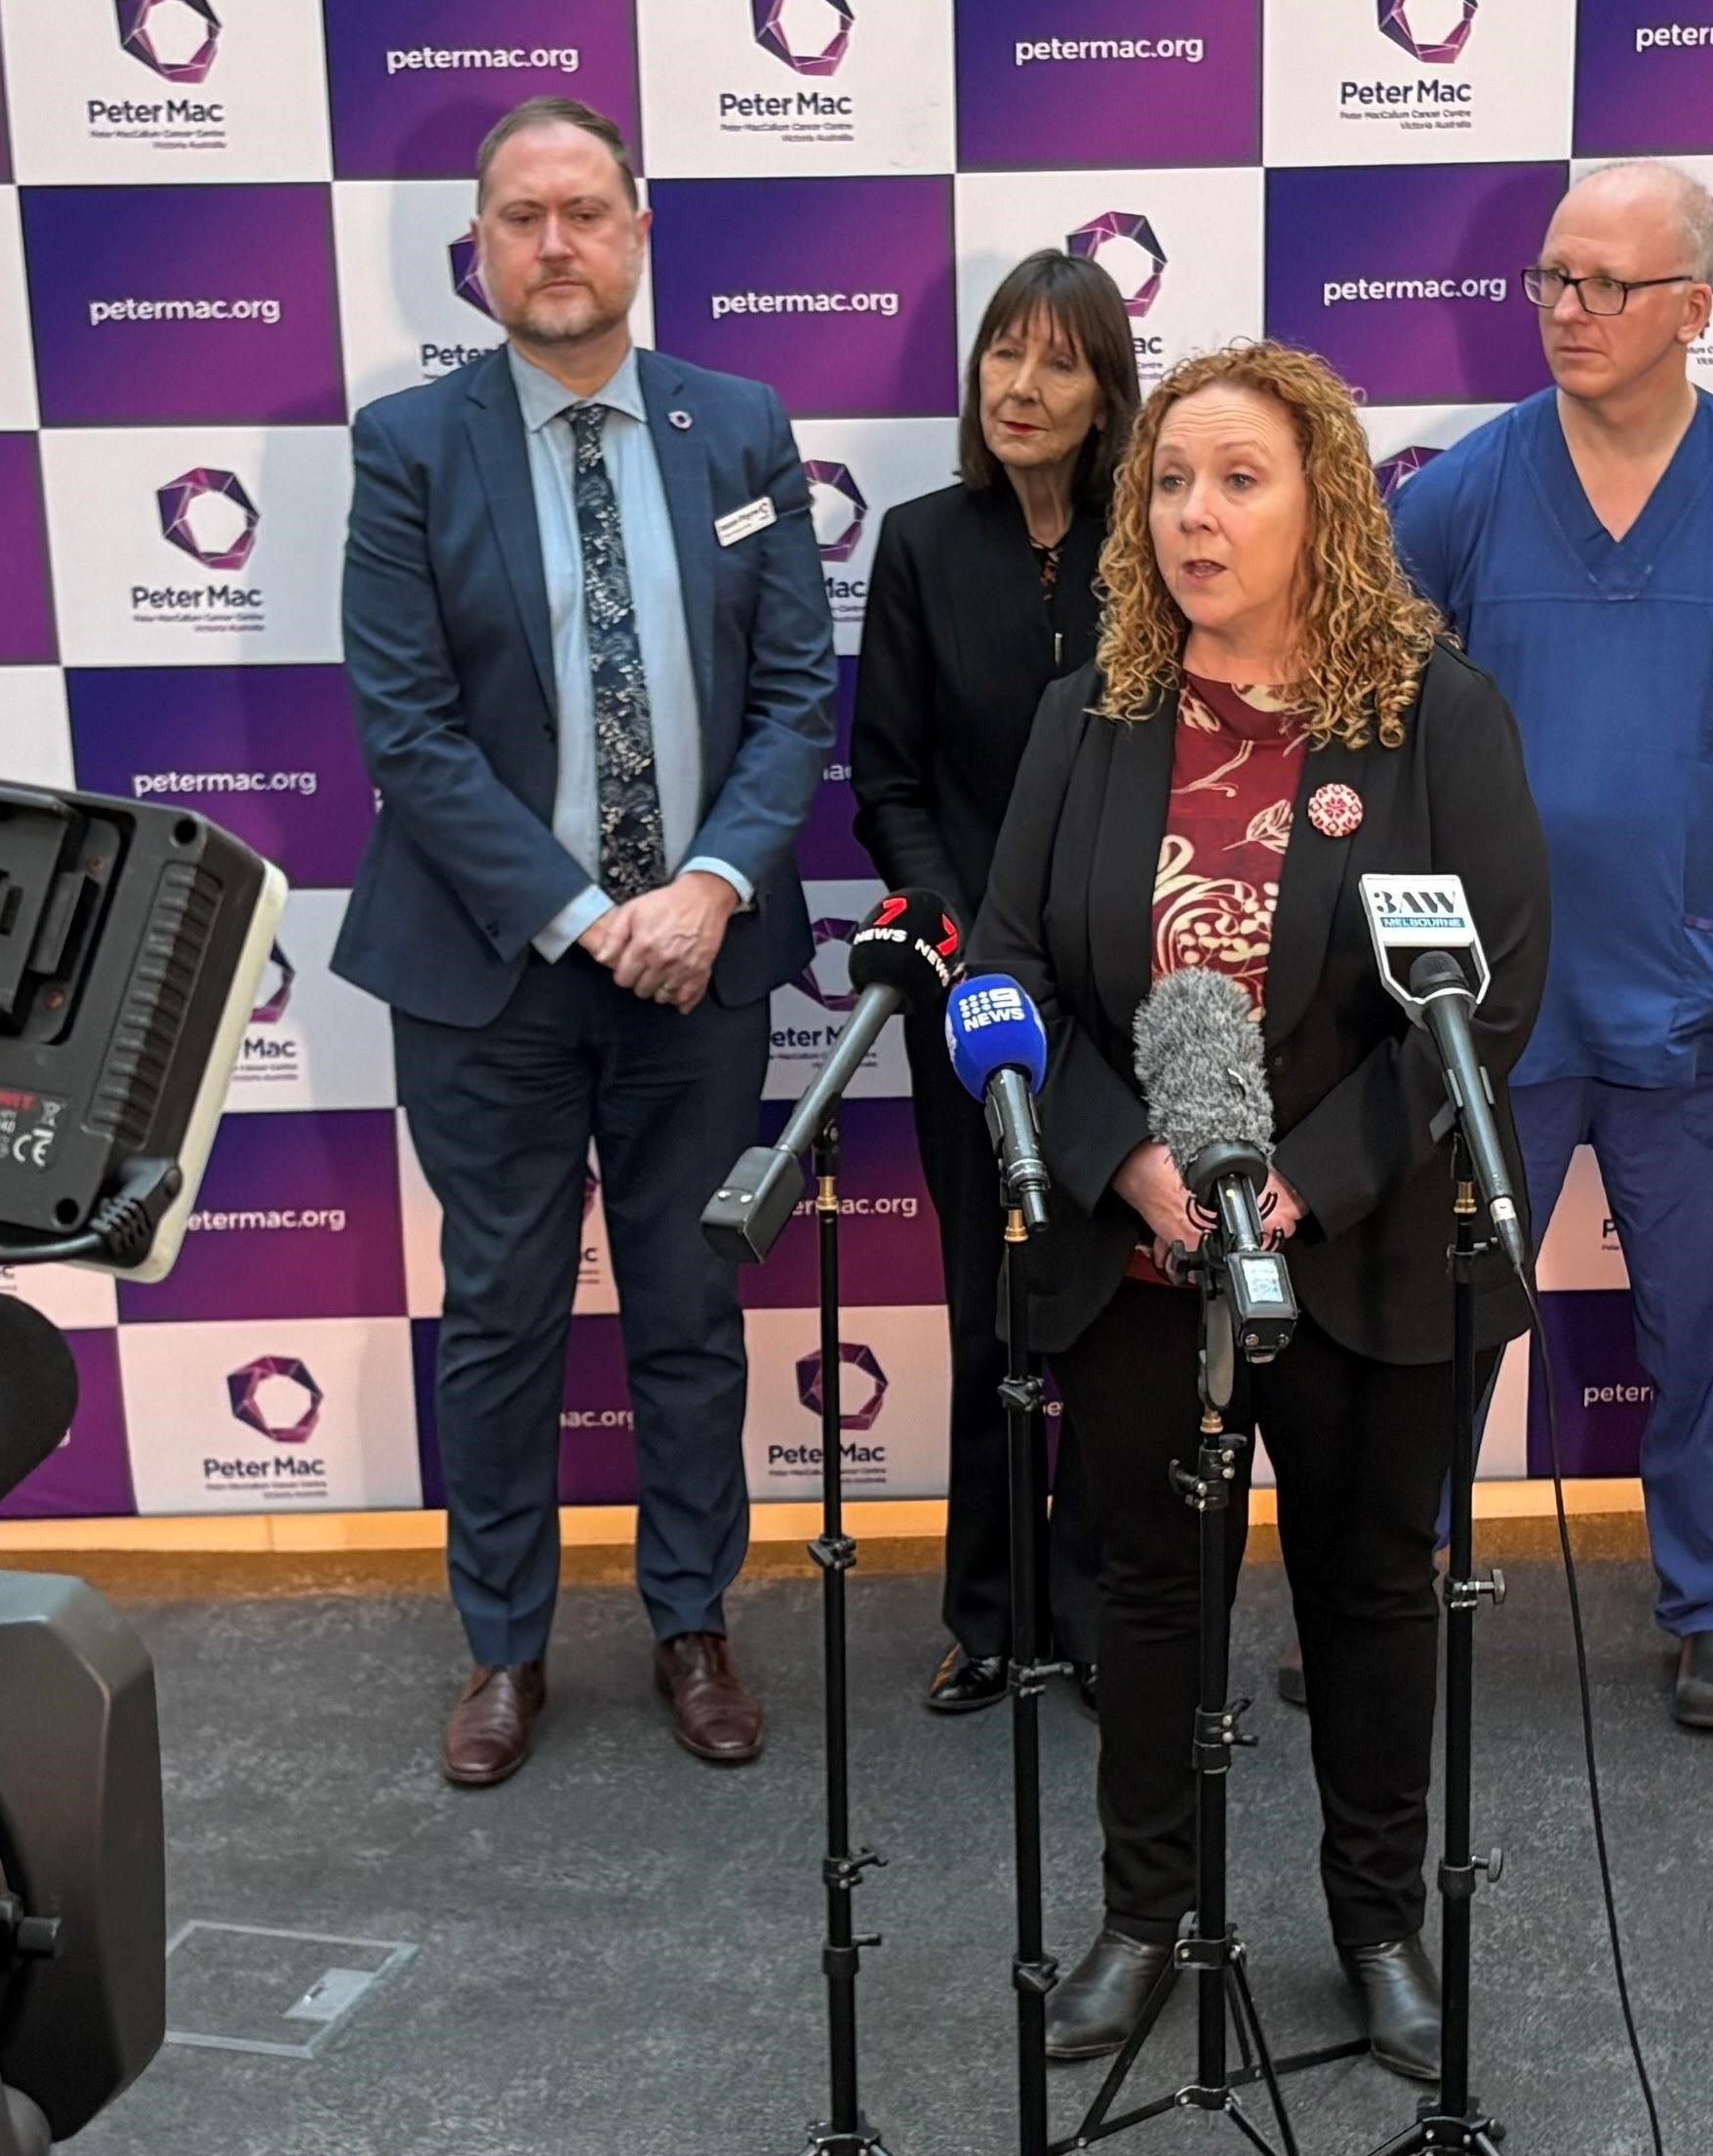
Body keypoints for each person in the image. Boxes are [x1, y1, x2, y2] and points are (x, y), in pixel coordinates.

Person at [970, 342, 1548, 2081]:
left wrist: (1299, 1183)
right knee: (1153, 1594)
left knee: (1368, 1591)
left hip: (1367, 1248)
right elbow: (1006, 967)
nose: (1193, 516)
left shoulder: (1434, 714)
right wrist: (1123, 1163)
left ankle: (1376, 1926)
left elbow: (1487, 995)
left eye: (1238, 479)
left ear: (1327, 507)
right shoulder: (1090, 714)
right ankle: (1144, 1917)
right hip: (1139, 1253)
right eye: (1168, 482)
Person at [332, 96, 835, 1785]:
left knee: (690, 1306)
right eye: (520, 216)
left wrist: (710, 885)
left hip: (701, 958)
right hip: (490, 971)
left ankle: (691, 1620)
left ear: (637, 230)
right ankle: (503, 1646)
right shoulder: (410, 446)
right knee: (500, 1317)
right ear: (478, 250)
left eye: (584, 211)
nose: (555, 243)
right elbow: (407, 732)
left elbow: (793, 692)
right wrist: (581, 912)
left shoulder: (738, 429)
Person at [1389, 160, 1713, 1732]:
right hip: (1495, 1012)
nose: (1568, 309)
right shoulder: (1457, 498)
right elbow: (1393, 736)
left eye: (1608, 283)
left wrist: (1704, 892)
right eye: (1551, 276)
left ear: (1697, 305)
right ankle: (1394, 1583)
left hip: (1694, 1010)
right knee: (1438, 1309)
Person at [851, 251, 1141, 1714]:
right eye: (1002, 355)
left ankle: (1092, 1605)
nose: (1021, 387)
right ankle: (989, 1612)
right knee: (991, 1309)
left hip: (1126, 992)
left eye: (1059, 362)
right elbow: (888, 787)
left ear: (1107, 396)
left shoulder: (1152, 544)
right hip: (969, 1002)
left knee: (1110, 1315)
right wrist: (971, 958)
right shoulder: (918, 542)